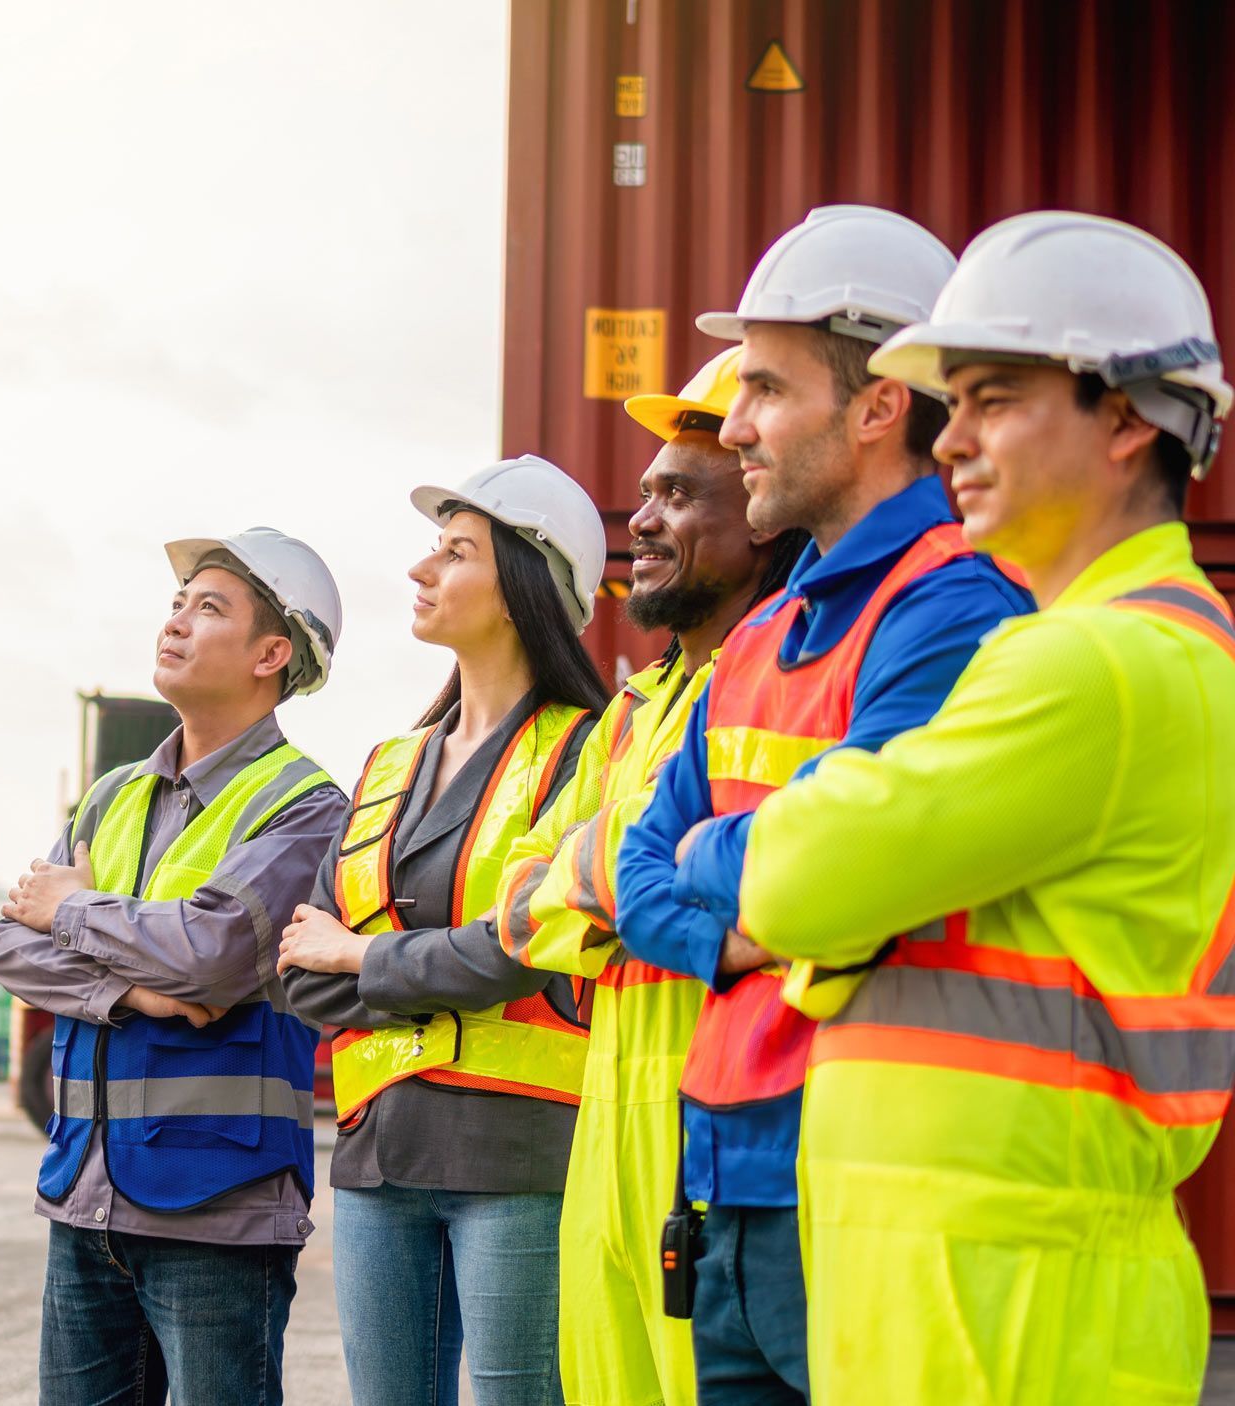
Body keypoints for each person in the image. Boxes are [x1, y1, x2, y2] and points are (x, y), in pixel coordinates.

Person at [711, 212, 1235, 1405]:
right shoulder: (1113, 649)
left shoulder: (1092, 665)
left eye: (994, 397)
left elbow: (789, 879)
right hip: (982, 1294)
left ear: (1125, 416)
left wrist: (798, 869)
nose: (955, 441)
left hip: (1008, 1314)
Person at [613, 205, 1034, 1404]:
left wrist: (710, 864)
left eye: (763, 389)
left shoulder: (955, 611)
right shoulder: (762, 634)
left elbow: (848, 884)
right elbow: (638, 872)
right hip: (729, 1174)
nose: (733, 427)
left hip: (863, 1175)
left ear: (878, 405)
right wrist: (726, 912)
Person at [494, 346, 808, 1406]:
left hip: (717, 1133)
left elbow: (757, 879)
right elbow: (518, 903)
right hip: (608, 1139)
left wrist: (599, 883)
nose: (643, 519)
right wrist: (633, 882)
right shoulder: (631, 711)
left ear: (762, 512)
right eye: (643, 493)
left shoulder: (783, 682)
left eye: (678, 494)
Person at [0, 527, 346, 1406]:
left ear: (273, 653)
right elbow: (6, 944)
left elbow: (213, 953)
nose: (176, 622)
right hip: (85, 1194)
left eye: (209, 607)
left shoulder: (305, 806)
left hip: (216, 1210)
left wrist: (72, 909)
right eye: (176, 604)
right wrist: (128, 989)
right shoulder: (113, 796)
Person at [278, 455, 611, 1406]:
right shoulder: (390, 762)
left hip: (519, 1155)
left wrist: (367, 957)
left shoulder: (590, 751)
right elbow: (301, 968)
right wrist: (396, 963)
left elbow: (525, 949)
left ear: (520, 586)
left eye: (455, 552)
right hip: (381, 1153)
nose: (423, 572)